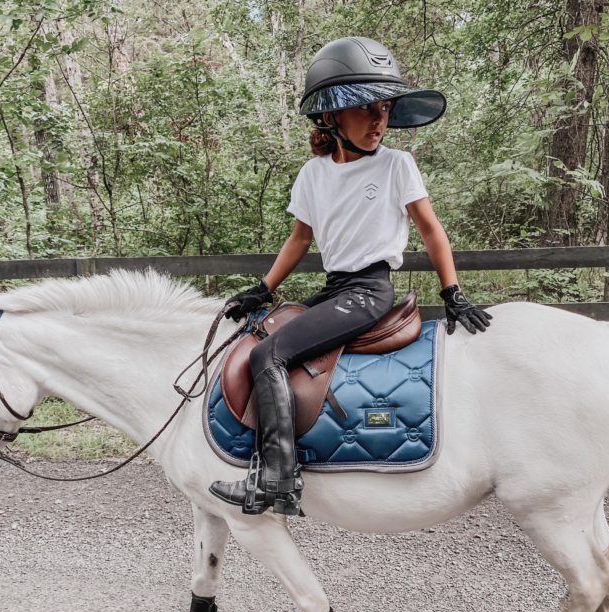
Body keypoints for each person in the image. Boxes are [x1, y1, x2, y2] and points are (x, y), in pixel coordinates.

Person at [210, 36, 491, 517]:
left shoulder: (397, 166)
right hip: (335, 287)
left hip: (369, 290)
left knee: (267, 356)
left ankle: (277, 480)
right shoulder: (312, 176)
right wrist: (263, 288)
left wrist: (453, 292)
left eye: (384, 109)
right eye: (366, 109)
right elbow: (300, 239)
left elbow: (430, 230)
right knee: (265, 333)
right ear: (331, 116)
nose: (380, 120)